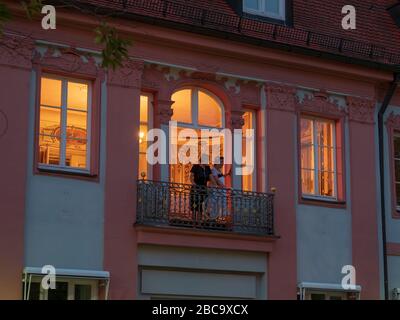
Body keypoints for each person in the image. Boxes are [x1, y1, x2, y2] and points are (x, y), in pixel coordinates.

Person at [189, 156, 216, 221]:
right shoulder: (196, 167)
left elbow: (211, 177)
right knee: (194, 206)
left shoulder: (207, 168)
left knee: (201, 207)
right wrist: (193, 183)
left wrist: (215, 185)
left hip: (203, 190)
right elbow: (191, 176)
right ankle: (193, 222)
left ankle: (199, 222)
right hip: (195, 189)